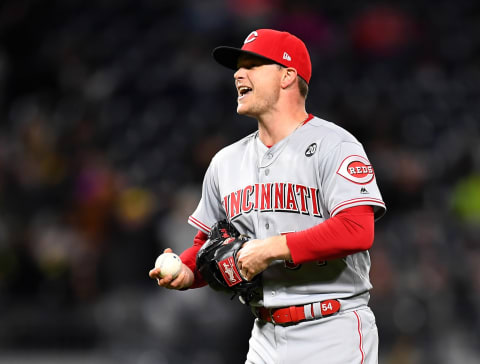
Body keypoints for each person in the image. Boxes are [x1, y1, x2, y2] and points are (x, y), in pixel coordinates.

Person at [149, 28, 386, 364]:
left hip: (332, 331)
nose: (238, 74)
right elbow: (206, 247)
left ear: (287, 76)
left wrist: (272, 248)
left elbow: (357, 229)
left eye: (253, 65)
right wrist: (186, 272)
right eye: (237, 67)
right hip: (264, 336)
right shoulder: (225, 162)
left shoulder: (336, 145)